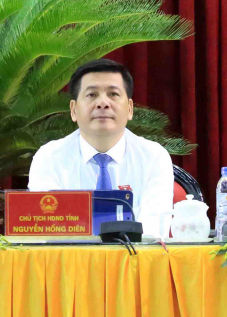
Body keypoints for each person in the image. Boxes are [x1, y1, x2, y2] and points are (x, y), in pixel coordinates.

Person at [27, 59, 174, 237]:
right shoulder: (49, 158)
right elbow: (49, 230)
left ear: (129, 109)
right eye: (91, 95)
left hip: (135, 254)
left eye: (113, 94)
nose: (103, 103)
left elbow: (153, 232)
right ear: (73, 110)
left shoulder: (154, 157)